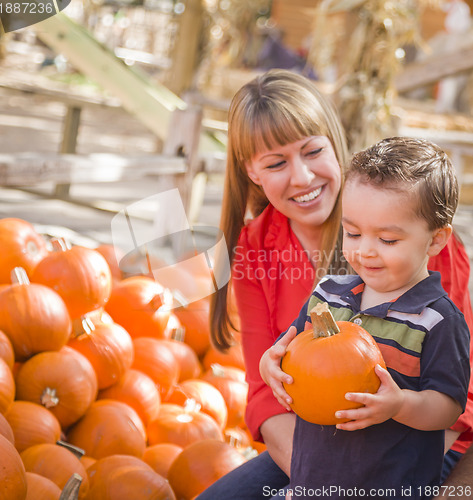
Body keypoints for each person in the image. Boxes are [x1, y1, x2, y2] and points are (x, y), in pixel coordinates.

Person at [199, 69, 473, 499]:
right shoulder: (256, 249)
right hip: (312, 449)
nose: (304, 178)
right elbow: (264, 394)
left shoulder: (419, 237)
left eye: (312, 151)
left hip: (414, 450)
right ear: (252, 172)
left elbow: (456, 396)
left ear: (335, 142)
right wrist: (315, 483)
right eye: (276, 163)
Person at [260, 136, 470, 498]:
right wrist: (271, 365)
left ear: (436, 240)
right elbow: (287, 350)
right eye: (353, 233)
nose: (365, 251)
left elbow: (448, 407)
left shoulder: (437, 320)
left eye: (387, 240)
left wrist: (400, 405)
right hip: (313, 481)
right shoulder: (326, 296)